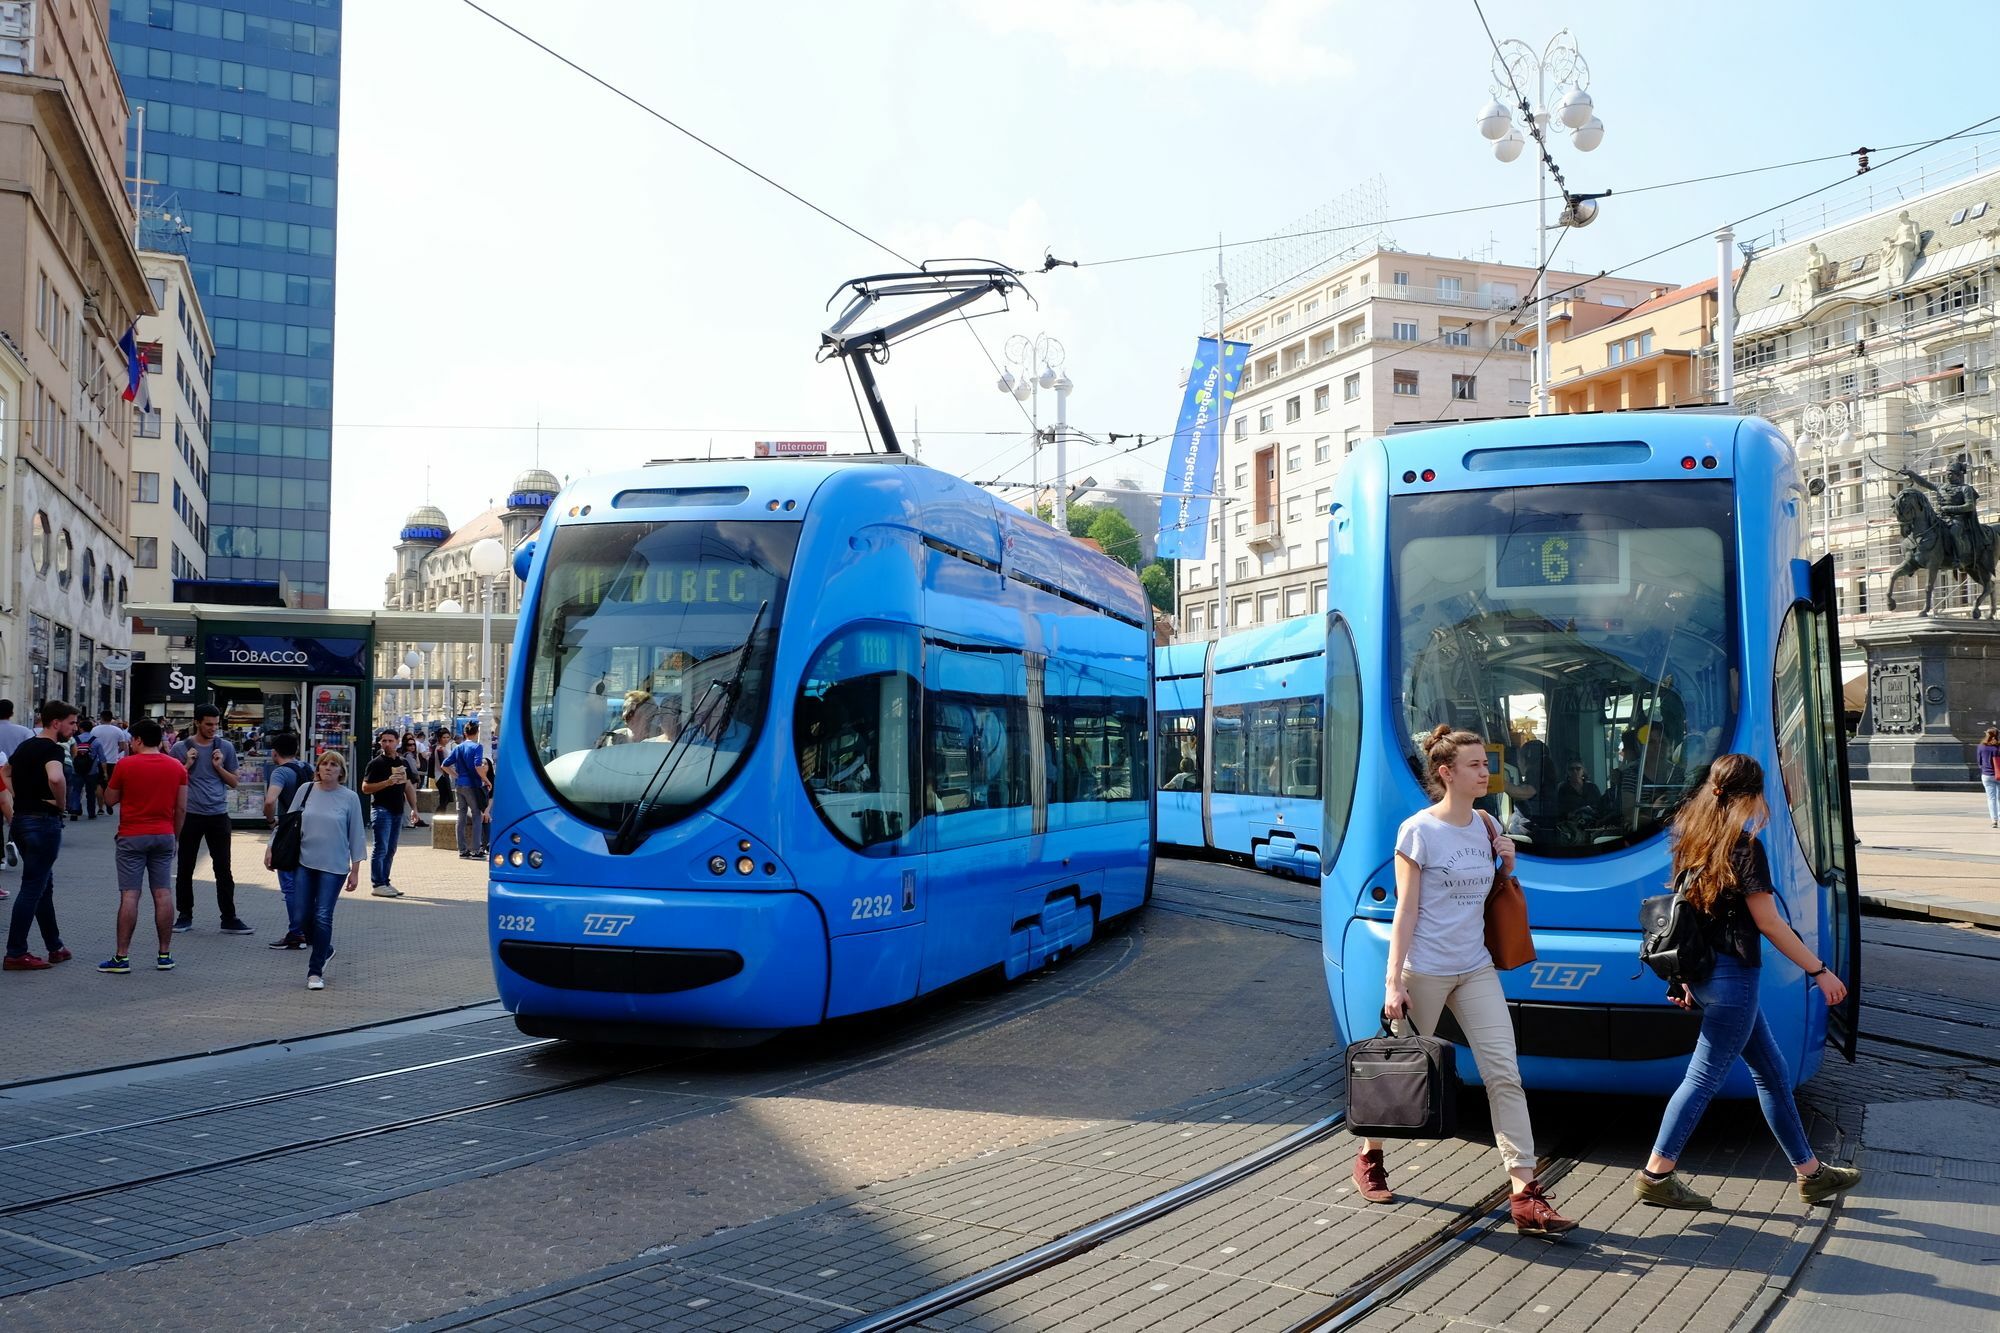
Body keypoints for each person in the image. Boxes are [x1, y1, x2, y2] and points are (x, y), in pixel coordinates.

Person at [1354, 724, 1578, 1238]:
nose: (1486, 772)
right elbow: (1405, 911)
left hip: (1475, 967)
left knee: (1504, 1073)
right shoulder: (1418, 831)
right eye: (1476, 765)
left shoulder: (1482, 823)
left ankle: (1525, 1193)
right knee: (1399, 1075)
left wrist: (1507, 861)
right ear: (1446, 772)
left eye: (1486, 763)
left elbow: (1488, 893)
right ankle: (1370, 1154)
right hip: (1425, 970)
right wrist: (1393, 983)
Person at [1635, 754, 1864, 1211]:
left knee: (1772, 1073)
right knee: (1702, 1079)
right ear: (1752, 795)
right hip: (1733, 979)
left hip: (1706, 977)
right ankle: (1656, 1175)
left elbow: (1689, 915)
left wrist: (1683, 980)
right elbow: (1770, 923)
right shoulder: (1743, 847)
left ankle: (1811, 1174)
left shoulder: (1694, 836)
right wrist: (1819, 971)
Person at [266, 750, 366, 991]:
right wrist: (271, 846)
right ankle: (326, 947)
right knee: (300, 915)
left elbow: (357, 834)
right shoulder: (306, 790)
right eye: (324, 764)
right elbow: (288, 822)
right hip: (304, 862)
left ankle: (315, 970)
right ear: (318, 768)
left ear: (341, 771)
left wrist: (355, 870)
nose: (328, 768)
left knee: (322, 915)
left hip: (334, 866)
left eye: (334, 765)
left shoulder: (349, 797)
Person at [97, 719, 188, 974]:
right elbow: (181, 807)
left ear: (136, 740)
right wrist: (175, 837)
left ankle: (122, 957)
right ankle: (164, 954)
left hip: (131, 836)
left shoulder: (126, 764)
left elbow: (110, 800)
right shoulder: (177, 767)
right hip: (164, 835)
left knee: (130, 895)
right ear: (160, 739)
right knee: (163, 893)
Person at [2, 701, 79, 971]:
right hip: (43, 822)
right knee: (33, 886)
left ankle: (55, 946)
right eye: (71, 722)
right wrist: (60, 804)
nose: (74, 727)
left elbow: (5, 771)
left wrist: (17, 795)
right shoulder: (52, 749)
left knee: (42, 884)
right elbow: (56, 779)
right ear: (56, 723)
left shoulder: (26, 746)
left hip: (21, 821)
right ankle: (16, 952)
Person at [171, 703, 250, 934]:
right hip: (191, 815)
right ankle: (184, 915)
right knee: (185, 868)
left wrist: (218, 767)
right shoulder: (179, 748)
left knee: (223, 868)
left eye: (216, 724)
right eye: (208, 724)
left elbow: (235, 782)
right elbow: (171, 782)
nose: (213, 728)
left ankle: (229, 917)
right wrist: (187, 764)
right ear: (197, 722)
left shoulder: (225, 747)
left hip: (218, 815)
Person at [262, 733, 315, 950]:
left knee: (289, 884)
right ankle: (310, 930)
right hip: (311, 828)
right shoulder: (307, 768)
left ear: (275, 752)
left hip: (288, 830)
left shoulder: (281, 772)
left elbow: (270, 800)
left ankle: (296, 932)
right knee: (306, 883)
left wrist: (270, 819)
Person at [360, 728, 410, 898]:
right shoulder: (375, 764)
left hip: (397, 810)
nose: (387, 744)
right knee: (381, 847)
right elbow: (365, 788)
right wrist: (387, 783)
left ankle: (385, 881)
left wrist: (415, 809)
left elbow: (408, 786)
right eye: (384, 741)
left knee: (391, 849)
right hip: (382, 809)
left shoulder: (402, 762)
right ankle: (378, 883)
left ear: (397, 742)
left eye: (390, 741)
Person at [442, 722, 490, 860]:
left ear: (464, 733)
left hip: (460, 785)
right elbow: (477, 765)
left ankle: (462, 849)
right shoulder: (477, 747)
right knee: (476, 816)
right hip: (472, 785)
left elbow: (444, 765)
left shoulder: (458, 748)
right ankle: (476, 849)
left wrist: (456, 775)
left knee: (461, 816)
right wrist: (486, 780)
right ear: (477, 732)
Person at [0, 698, 29, 872]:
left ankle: (1, 857)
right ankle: (14, 841)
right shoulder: (23, 731)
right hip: (18, 776)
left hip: (1, 771)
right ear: (12, 713)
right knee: (15, 810)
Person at [88, 715, 130, 813]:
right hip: (112, 760)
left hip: (97, 760)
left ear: (102, 718)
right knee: (110, 783)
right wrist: (115, 751)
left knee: (98, 784)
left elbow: (90, 744)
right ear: (111, 719)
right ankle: (109, 803)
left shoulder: (94, 730)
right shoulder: (118, 731)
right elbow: (123, 746)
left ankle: (100, 808)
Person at [68, 719, 97, 820]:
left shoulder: (74, 739)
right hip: (91, 771)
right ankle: (91, 813)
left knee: (76, 790)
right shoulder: (96, 740)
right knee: (91, 792)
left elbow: (71, 754)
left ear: (81, 728)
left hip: (76, 769)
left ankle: (74, 811)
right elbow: (102, 758)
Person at [1980, 728, 2000, 828]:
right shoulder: (1998, 747)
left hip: (1987, 775)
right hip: (1999, 775)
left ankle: (1994, 820)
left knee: (1991, 798)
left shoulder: (1981, 747)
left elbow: (1979, 762)